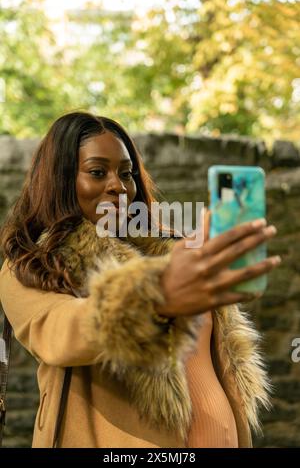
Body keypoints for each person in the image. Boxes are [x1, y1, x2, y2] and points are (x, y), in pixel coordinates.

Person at [0, 111, 281, 448]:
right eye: (97, 172)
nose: (118, 185)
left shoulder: (174, 251)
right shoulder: (34, 264)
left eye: (126, 173)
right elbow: (62, 333)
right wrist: (156, 296)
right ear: (59, 180)